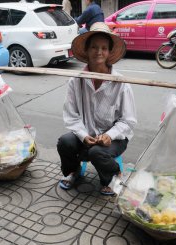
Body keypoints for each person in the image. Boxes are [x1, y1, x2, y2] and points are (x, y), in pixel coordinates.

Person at [57, 22, 137, 196]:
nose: (98, 52)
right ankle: (73, 171)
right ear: (86, 50)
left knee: (96, 152)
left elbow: (128, 120)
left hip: (115, 138)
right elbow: (71, 116)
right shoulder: (76, 81)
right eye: (94, 47)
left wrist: (110, 135)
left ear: (109, 52)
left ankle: (114, 176)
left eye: (103, 48)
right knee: (65, 142)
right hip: (87, 133)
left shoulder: (120, 83)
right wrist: (84, 136)